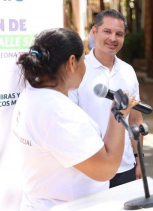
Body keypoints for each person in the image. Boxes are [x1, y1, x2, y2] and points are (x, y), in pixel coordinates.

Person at [12, 28, 139, 211]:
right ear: (72, 62)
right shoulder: (59, 113)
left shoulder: (31, 94)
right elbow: (106, 169)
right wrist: (118, 115)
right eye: (83, 58)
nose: (85, 66)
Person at [69, 9, 144, 188]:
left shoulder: (128, 71)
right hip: (90, 168)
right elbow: (72, 121)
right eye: (107, 32)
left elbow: (135, 119)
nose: (113, 38)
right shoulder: (77, 69)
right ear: (94, 32)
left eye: (119, 34)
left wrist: (139, 159)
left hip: (124, 166)